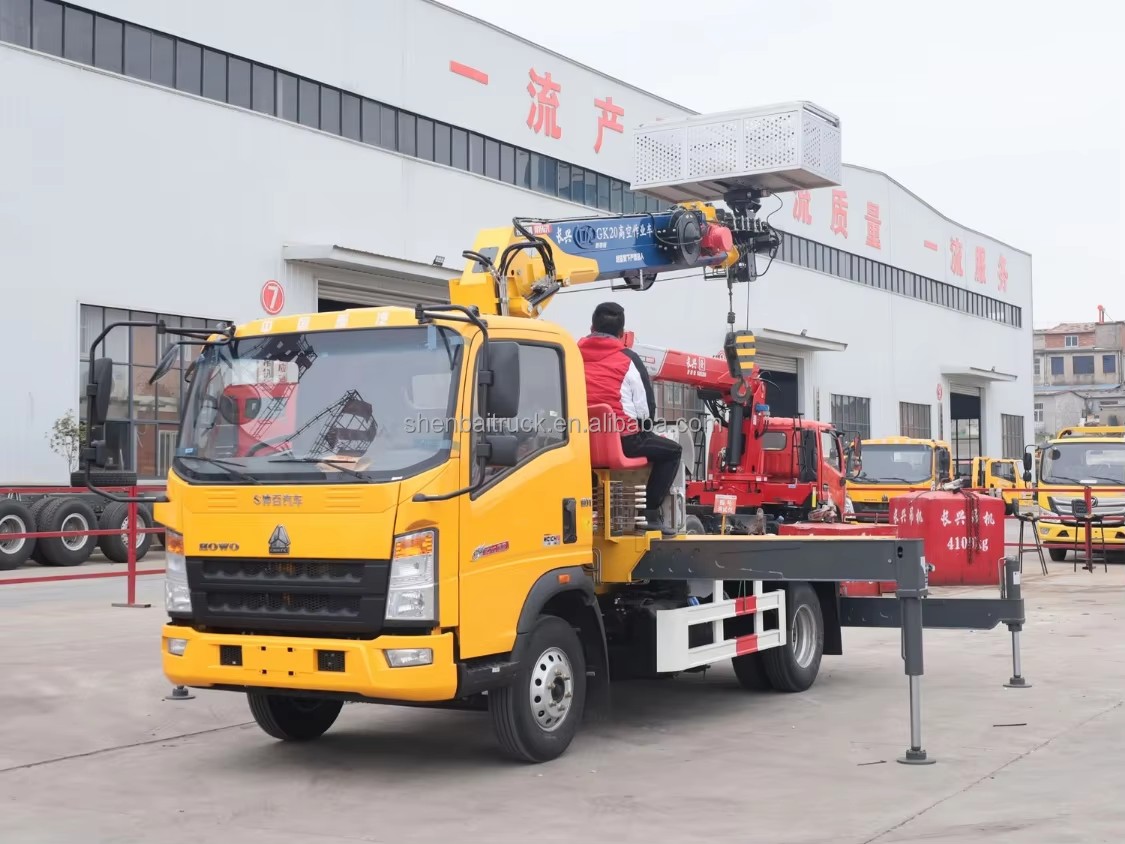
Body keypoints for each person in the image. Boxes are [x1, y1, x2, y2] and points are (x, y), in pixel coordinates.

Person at [577, 302, 681, 535]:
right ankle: (649, 516)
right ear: (621, 334)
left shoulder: (571, 355)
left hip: (581, 441)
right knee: (672, 451)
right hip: (623, 441)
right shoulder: (628, 358)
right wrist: (646, 429)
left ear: (591, 328)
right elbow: (645, 410)